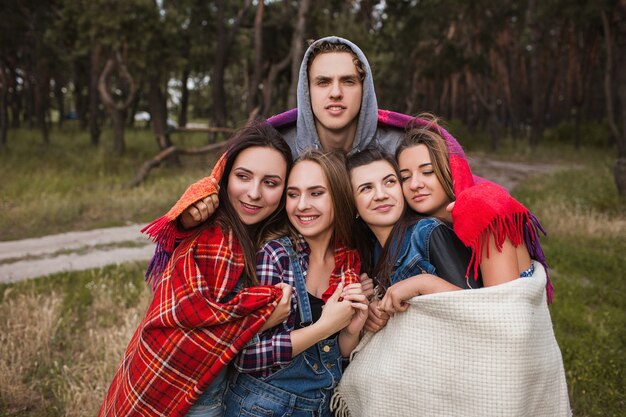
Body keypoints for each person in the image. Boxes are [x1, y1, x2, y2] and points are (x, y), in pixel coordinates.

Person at [330, 116, 570, 417]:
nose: (415, 184)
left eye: (427, 172)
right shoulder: (386, 245)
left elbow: (500, 318)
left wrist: (421, 284)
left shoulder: (479, 207)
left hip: (507, 365)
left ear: (449, 169)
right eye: (404, 177)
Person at [99, 122, 295, 417]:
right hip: (187, 400)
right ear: (226, 176)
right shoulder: (212, 237)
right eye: (243, 177)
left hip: (209, 391)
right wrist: (262, 313)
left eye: (270, 183)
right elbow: (190, 324)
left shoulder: (264, 239)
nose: (254, 193)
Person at [223, 150, 369, 417]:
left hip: (320, 405)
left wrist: (350, 332)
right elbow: (245, 355)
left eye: (316, 193)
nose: (302, 205)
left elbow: (334, 354)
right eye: (293, 194)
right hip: (262, 406)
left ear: (339, 196)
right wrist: (324, 327)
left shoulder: (348, 260)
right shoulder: (276, 256)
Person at [346, 147, 482, 328]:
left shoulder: (427, 232)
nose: (381, 195)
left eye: (390, 182)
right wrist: (371, 311)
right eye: (366, 188)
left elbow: (479, 307)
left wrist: (424, 283)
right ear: (353, 204)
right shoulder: (370, 253)